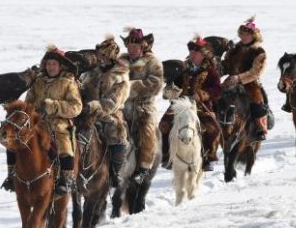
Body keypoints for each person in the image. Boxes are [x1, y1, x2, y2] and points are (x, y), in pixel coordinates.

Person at [20, 45, 83, 195]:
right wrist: (28, 111)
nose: (51, 67)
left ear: (60, 66)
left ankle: (67, 179)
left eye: (54, 64)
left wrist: (53, 106)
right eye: (48, 64)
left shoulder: (68, 82)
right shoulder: (38, 82)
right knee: (18, 138)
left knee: (62, 138)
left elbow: (76, 107)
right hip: (38, 122)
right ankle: (15, 175)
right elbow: (28, 102)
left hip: (59, 122)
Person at [160, 36, 223, 171]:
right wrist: (169, 91)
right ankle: (167, 156)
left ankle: (208, 158)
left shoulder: (211, 71)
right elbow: (176, 85)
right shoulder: (184, 69)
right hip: (180, 105)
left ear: (203, 54)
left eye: (196, 52)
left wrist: (201, 94)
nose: (192, 55)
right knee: (163, 125)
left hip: (200, 107)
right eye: (191, 52)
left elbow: (217, 89)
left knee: (213, 129)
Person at [80, 35, 130, 188]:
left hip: (109, 114)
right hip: (86, 111)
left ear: (110, 56)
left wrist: (95, 106)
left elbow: (113, 102)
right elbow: (82, 89)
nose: (99, 57)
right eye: (98, 54)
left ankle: (115, 172)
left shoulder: (120, 76)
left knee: (116, 131)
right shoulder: (90, 72)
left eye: (102, 55)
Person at [120, 27, 164, 184]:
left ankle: (144, 168)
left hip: (143, 106)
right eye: (129, 46)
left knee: (147, 131)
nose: (131, 49)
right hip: (120, 106)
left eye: (135, 46)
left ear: (142, 46)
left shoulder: (153, 62)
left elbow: (156, 84)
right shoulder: (120, 60)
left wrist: (128, 87)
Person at [221, 17, 268, 140]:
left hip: (250, 84)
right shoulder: (233, 50)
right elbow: (225, 66)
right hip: (230, 82)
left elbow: (255, 72)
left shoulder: (259, 52)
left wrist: (238, 78)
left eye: (247, 34)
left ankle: (260, 129)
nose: (244, 36)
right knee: (216, 96)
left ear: (254, 36)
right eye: (242, 34)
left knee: (257, 103)